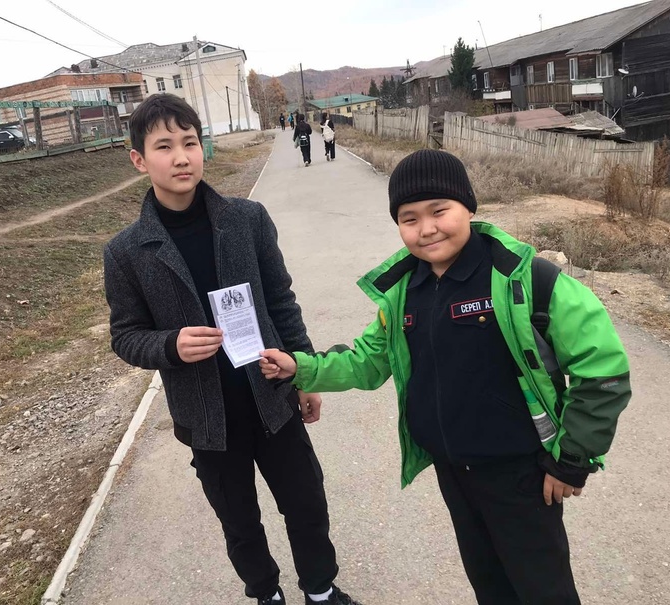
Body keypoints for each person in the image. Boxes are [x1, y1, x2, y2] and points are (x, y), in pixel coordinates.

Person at [260, 149, 631, 604]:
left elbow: (604, 372)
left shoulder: (525, 279)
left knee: (542, 590)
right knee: (489, 584)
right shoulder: (403, 292)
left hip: (523, 474)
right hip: (454, 471)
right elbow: (367, 360)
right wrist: (302, 368)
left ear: (468, 207)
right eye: (409, 218)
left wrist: (571, 460)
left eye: (440, 211)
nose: (427, 228)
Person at [103, 93, 362, 605]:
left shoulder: (247, 219)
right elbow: (126, 335)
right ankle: (266, 594)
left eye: (190, 142)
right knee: (240, 523)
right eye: (164, 146)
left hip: (272, 397)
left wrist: (305, 372)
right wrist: (170, 345)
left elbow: (281, 301)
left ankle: (320, 589)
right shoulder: (126, 252)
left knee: (307, 504)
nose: (181, 157)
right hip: (206, 417)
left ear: (203, 148)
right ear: (139, 160)